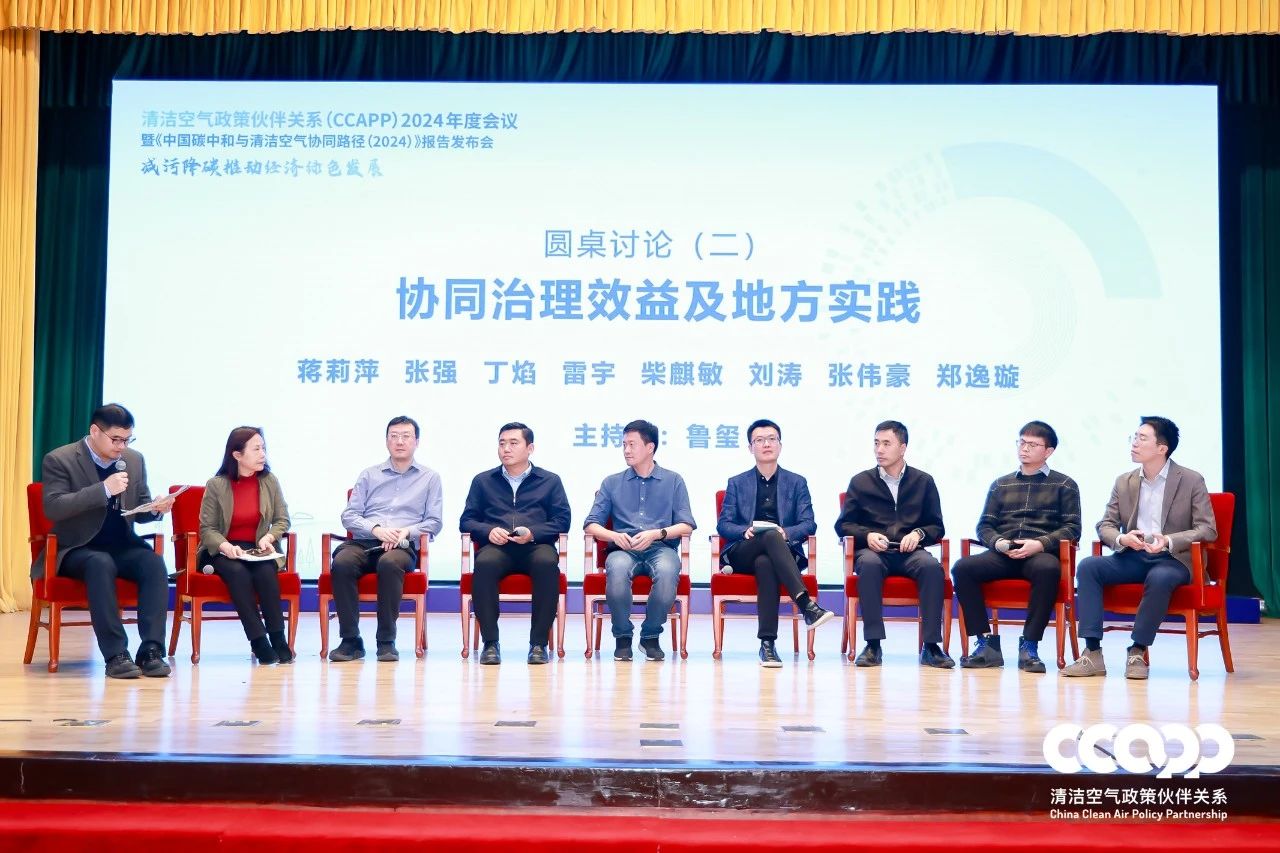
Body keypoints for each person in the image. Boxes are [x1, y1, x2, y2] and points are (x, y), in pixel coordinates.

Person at [1063, 416, 1216, 680]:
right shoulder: (1125, 481)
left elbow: (1207, 529)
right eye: (1134, 437)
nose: (1134, 443)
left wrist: (1168, 540)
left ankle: (1137, 651)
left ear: (1162, 448)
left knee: (1161, 577)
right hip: (1133, 556)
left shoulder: (1191, 480)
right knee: (1089, 566)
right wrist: (1122, 539)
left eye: (1142, 438)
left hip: (1173, 559)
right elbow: (1106, 524)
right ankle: (1092, 652)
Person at [34, 403, 175, 678]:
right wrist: (103, 490)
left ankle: (151, 651)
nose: (122, 447)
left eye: (128, 439)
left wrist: (155, 508)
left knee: (153, 563)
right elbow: (54, 507)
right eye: (116, 439)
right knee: (100, 563)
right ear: (95, 431)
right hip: (77, 547)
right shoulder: (60, 459)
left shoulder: (134, 460)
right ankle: (116, 655)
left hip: (121, 545)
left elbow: (139, 507)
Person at [951, 421, 1081, 673]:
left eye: (1032, 444)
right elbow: (984, 526)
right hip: (1004, 552)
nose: (1024, 448)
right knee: (962, 568)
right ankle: (986, 644)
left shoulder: (1064, 484)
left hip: (1039, 553)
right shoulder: (1001, 484)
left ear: (1048, 451)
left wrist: (1040, 544)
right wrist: (998, 543)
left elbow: (1072, 528)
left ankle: (1029, 646)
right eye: (1022, 442)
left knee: (1048, 569)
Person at [835, 420, 953, 669]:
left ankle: (931, 646)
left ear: (903, 447)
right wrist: (867, 535)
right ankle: (873, 645)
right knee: (869, 565)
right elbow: (843, 525)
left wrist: (918, 534)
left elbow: (936, 526)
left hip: (911, 552)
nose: (879, 449)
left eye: (886, 444)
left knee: (932, 568)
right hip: (874, 551)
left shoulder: (923, 481)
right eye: (876, 443)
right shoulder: (861, 482)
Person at [716, 419, 834, 667]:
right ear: (750, 448)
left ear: (780, 445)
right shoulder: (737, 482)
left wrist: (786, 532)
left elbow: (808, 524)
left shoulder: (797, 482)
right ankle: (806, 605)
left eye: (771, 439)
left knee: (766, 562)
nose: (766, 444)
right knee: (769, 536)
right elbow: (724, 525)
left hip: (780, 555)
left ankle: (767, 645)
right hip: (743, 553)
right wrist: (745, 530)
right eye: (759, 440)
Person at [328, 416, 442, 663]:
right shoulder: (369, 475)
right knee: (342, 563)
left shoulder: (430, 478)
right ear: (386, 441)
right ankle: (351, 641)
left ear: (417, 442)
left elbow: (434, 522)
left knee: (390, 563)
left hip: (401, 546)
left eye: (406, 436)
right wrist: (376, 529)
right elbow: (349, 516)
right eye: (394, 436)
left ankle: (386, 641)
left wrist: (405, 532)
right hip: (365, 541)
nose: (400, 441)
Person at [459, 422, 571, 666]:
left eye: (513, 443)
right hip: (497, 547)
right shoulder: (483, 481)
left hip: (535, 546)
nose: (506, 449)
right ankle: (490, 643)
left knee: (546, 563)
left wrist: (533, 533)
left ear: (530, 448)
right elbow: (466, 521)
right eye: (502, 443)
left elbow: (563, 521)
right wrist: (488, 531)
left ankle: (538, 643)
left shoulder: (550, 481)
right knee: (484, 564)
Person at [584, 420, 695, 662]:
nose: (626, 450)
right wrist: (614, 536)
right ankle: (623, 637)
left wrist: (656, 533)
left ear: (650, 447)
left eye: (632, 444)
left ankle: (650, 636)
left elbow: (686, 524)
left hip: (660, 547)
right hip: (623, 548)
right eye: (624, 445)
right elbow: (591, 524)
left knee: (667, 571)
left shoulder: (673, 480)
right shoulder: (611, 482)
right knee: (617, 571)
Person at [198, 426, 293, 664]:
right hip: (222, 551)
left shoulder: (269, 481)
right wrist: (225, 546)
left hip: (257, 548)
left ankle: (278, 638)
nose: (263, 454)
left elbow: (282, 520)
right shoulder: (216, 485)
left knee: (266, 572)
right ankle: (258, 641)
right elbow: (207, 529)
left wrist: (269, 537)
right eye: (256, 449)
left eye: (263, 448)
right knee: (238, 572)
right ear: (237, 455)